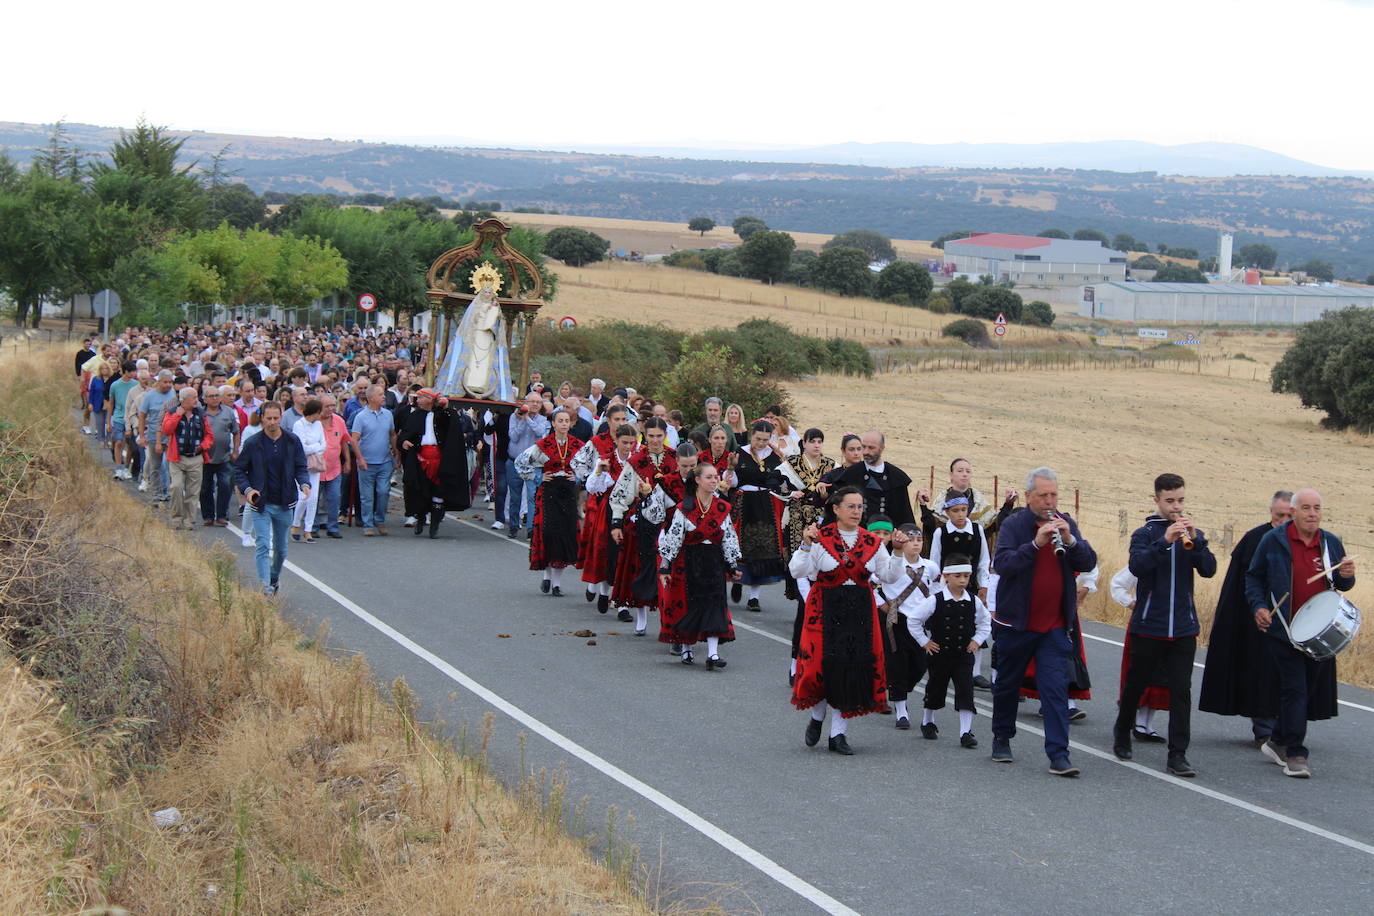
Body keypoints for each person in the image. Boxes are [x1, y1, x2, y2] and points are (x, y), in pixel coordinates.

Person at [989, 466, 1096, 776]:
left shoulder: (1066, 523)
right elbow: (1003, 564)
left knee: (1055, 689)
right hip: (1016, 625)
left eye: (1054, 495)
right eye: (1043, 495)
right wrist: (1036, 544)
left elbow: (1088, 561)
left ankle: (1058, 754)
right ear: (1028, 496)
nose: (1050, 502)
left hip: (1053, 626)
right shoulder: (1014, 524)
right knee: (1008, 685)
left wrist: (1070, 540)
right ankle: (1002, 737)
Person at [790, 486, 911, 756]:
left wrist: (899, 552)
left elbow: (889, 576)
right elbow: (798, 570)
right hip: (825, 610)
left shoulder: (871, 542)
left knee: (850, 668)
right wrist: (806, 544)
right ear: (836, 508)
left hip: (859, 613)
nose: (856, 512)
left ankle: (838, 734)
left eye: (859, 507)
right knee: (822, 667)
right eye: (851, 506)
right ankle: (818, 716)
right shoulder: (821, 538)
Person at [1246, 488, 1356, 779]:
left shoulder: (1330, 542)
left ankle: (1278, 739)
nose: (1312, 514)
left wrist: (1347, 576)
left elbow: (1341, 586)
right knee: (1295, 688)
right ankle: (1296, 753)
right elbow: (1254, 576)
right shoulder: (1274, 541)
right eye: (1306, 508)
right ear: (1293, 512)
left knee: (1305, 690)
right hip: (1283, 629)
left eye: (1317, 508)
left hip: (1318, 633)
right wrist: (1258, 605)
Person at [1113, 473, 1216, 777]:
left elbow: (1209, 569)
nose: (1176, 507)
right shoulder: (1144, 534)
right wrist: (1165, 541)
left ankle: (1178, 754)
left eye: (1181, 500)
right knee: (1136, 684)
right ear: (1157, 500)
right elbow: (1137, 566)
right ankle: (1122, 731)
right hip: (1150, 625)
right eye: (1170, 501)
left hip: (1184, 627)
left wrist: (1196, 543)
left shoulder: (1192, 534)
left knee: (1181, 691)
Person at [1199, 491, 1294, 746]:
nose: (1284, 521)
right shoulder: (1255, 539)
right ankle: (1264, 728)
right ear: (1270, 512)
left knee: (1289, 675)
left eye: (1289, 516)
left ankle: (1286, 727)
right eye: (1279, 515)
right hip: (1257, 618)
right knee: (1260, 672)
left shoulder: (1304, 541)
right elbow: (1239, 584)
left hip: (1293, 621)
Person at [656, 463, 740, 671]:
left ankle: (713, 653)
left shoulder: (722, 508)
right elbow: (674, 536)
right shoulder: (685, 508)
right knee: (689, 605)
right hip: (688, 562)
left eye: (715, 477)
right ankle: (686, 647)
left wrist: (732, 564)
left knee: (715, 604)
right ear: (698, 480)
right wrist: (665, 567)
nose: (713, 481)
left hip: (713, 562)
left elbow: (729, 536)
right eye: (709, 477)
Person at [907, 553, 993, 748]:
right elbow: (913, 620)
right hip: (940, 654)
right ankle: (928, 720)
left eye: (966, 576)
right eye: (958, 576)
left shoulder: (973, 601)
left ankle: (965, 732)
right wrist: (924, 642)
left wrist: (977, 640)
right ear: (946, 576)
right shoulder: (935, 600)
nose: (962, 580)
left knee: (966, 690)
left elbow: (985, 622)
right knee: (936, 688)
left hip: (964, 655)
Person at [233, 402, 310, 596]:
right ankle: (264, 587)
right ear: (262, 418)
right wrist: (248, 490)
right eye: (268, 418)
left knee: (282, 550)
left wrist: (304, 483)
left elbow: (301, 466)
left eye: (276, 418)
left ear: (281, 417)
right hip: (261, 503)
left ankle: (274, 577)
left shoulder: (292, 441)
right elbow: (239, 470)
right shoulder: (253, 443)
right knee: (263, 545)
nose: (272, 422)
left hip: (285, 502)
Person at [609, 418, 677, 634]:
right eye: (651, 436)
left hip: (671, 521)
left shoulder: (676, 459)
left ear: (665, 435)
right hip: (641, 522)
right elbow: (620, 494)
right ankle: (641, 615)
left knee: (670, 571)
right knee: (640, 568)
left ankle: (670, 619)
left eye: (659, 436)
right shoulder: (636, 461)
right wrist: (617, 522)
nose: (655, 440)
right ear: (644, 436)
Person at [517, 408, 586, 595]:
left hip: (568, 492)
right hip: (549, 491)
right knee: (548, 533)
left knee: (565, 533)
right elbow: (521, 462)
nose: (564, 424)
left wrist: (578, 477)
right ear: (553, 424)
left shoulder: (578, 445)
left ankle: (556, 583)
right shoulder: (543, 445)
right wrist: (538, 476)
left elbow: (591, 465)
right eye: (560, 421)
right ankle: (546, 576)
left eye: (566, 421)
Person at [876, 523, 938, 729]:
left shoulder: (930, 566)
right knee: (897, 664)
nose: (915, 544)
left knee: (920, 665)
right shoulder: (892, 564)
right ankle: (901, 709)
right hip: (897, 621)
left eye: (919, 540)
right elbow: (870, 583)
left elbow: (936, 587)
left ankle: (899, 689)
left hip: (919, 624)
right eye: (911, 540)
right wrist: (881, 604)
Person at [396, 388, 472, 539]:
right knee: (420, 490)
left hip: (439, 460)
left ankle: (435, 524)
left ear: (430, 399)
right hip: (419, 458)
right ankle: (421, 518)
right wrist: (403, 442)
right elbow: (404, 434)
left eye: (420, 397)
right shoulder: (415, 415)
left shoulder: (444, 415)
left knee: (438, 491)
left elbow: (453, 425)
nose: (417, 400)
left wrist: (445, 407)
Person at [733, 420, 790, 612]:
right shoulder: (740, 452)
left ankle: (754, 597)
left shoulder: (775, 456)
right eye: (758, 439)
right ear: (752, 436)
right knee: (740, 546)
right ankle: (737, 580)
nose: (762, 443)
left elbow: (781, 482)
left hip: (765, 502)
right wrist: (731, 469)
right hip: (743, 502)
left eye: (766, 439)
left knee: (762, 548)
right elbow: (733, 483)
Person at [581, 422, 638, 613]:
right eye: (625, 442)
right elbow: (592, 488)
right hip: (609, 510)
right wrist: (599, 471)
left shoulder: (637, 462)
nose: (628, 447)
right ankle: (604, 592)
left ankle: (622, 604)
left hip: (630, 510)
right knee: (608, 551)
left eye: (632, 443)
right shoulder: (606, 460)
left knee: (627, 553)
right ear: (617, 441)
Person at [434, 270, 514, 401]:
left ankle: (484, 386)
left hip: (488, 339)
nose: (487, 294)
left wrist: (493, 311)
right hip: (475, 338)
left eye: (490, 292)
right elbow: (469, 324)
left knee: (486, 363)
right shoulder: (475, 307)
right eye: (485, 292)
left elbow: (495, 327)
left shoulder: (496, 309)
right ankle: (465, 384)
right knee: (471, 361)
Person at [917, 458, 1018, 553]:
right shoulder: (942, 500)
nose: (964, 474)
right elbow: (931, 526)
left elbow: (994, 525)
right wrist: (923, 504)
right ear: (951, 474)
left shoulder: (980, 501)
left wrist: (1008, 503)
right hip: (947, 556)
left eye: (968, 471)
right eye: (960, 471)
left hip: (973, 556)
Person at [160, 387, 215, 530]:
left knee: (193, 491)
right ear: (184, 400)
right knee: (176, 487)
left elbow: (209, 435)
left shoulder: (201, 415)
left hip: (196, 458)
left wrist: (203, 446)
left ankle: (189, 520)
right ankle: (176, 518)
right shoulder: (172, 412)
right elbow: (166, 430)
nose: (197, 400)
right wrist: (177, 415)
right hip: (177, 458)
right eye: (193, 397)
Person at [839, 430, 915, 527]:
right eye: (864, 447)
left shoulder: (896, 477)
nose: (866, 452)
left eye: (871, 448)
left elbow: (904, 514)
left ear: (882, 448)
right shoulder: (850, 475)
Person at [350, 385, 396, 536]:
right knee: (367, 496)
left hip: (384, 461)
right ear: (371, 398)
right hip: (366, 462)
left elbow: (392, 434)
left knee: (383, 492)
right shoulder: (360, 416)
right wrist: (360, 459)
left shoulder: (388, 414)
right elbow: (354, 439)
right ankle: (367, 524)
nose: (384, 397)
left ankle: (380, 520)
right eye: (381, 394)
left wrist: (395, 452)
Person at [199, 385, 241, 527]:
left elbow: (236, 432)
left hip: (224, 456)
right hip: (205, 457)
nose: (215, 398)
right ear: (205, 399)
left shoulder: (228, 412)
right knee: (205, 487)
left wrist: (235, 451)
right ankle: (208, 516)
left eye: (217, 395)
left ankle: (222, 514)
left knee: (225, 485)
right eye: (211, 396)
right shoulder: (200, 413)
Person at [314, 394, 352, 539]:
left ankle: (332, 526)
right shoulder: (313, 422)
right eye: (327, 406)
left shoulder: (339, 421)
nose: (331, 409)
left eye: (332, 405)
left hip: (334, 468)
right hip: (316, 469)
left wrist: (347, 461)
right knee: (315, 500)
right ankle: (313, 527)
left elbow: (344, 442)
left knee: (335, 497)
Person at [290, 399, 327, 544]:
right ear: (315, 412)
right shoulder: (298, 425)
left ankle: (308, 529)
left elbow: (324, 444)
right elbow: (301, 448)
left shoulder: (318, 424)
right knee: (303, 497)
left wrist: (312, 445)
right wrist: (315, 446)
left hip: (316, 465)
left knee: (313, 498)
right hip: (302, 465)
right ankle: (295, 524)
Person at [138, 370, 178, 501]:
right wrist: (142, 435)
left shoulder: (173, 395)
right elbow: (142, 415)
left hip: (171, 435)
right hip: (154, 435)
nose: (168, 385)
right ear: (159, 382)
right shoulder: (150, 396)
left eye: (170, 382)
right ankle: (157, 492)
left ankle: (167, 491)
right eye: (165, 382)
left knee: (169, 465)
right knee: (155, 466)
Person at [107, 361, 140, 480]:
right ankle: (119, 468)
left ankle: (126, 467)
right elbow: (111, 403)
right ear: (125, 371)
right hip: (118, 417)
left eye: (134, 371)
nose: (133, 373)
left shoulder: (136, 384)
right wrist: (109, 420)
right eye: (131, 371)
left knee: (131, 444)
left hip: (131, 417)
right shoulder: (115, 385)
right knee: (119, 442)